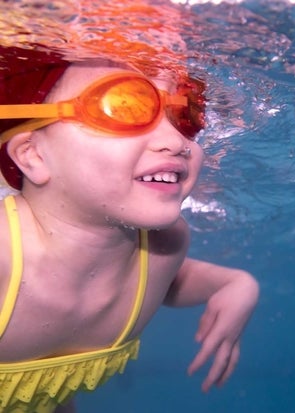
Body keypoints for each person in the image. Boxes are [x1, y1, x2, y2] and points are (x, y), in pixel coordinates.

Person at [0, 46, 259, 413]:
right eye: (125, 106)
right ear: (33, 155)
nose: (176, 141)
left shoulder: (166, 247)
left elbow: (41, 393)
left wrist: (233, 283)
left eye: (185, 112)